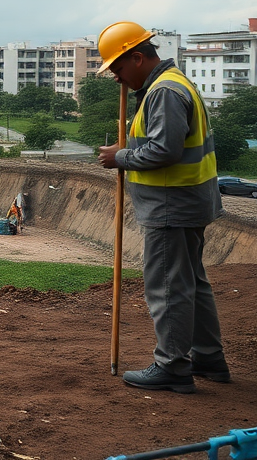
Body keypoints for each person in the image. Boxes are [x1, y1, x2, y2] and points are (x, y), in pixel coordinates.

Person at [96, 21, 227, 393]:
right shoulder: (172, 84)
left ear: (138, 58)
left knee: (168, 286)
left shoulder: (165, 92)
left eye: (119, 70)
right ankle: (208, 358)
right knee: (191, 283)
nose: (118, 80)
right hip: (186, 202)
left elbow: (164, 150)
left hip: (173, 206)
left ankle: (172, 366)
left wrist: (120, 157)